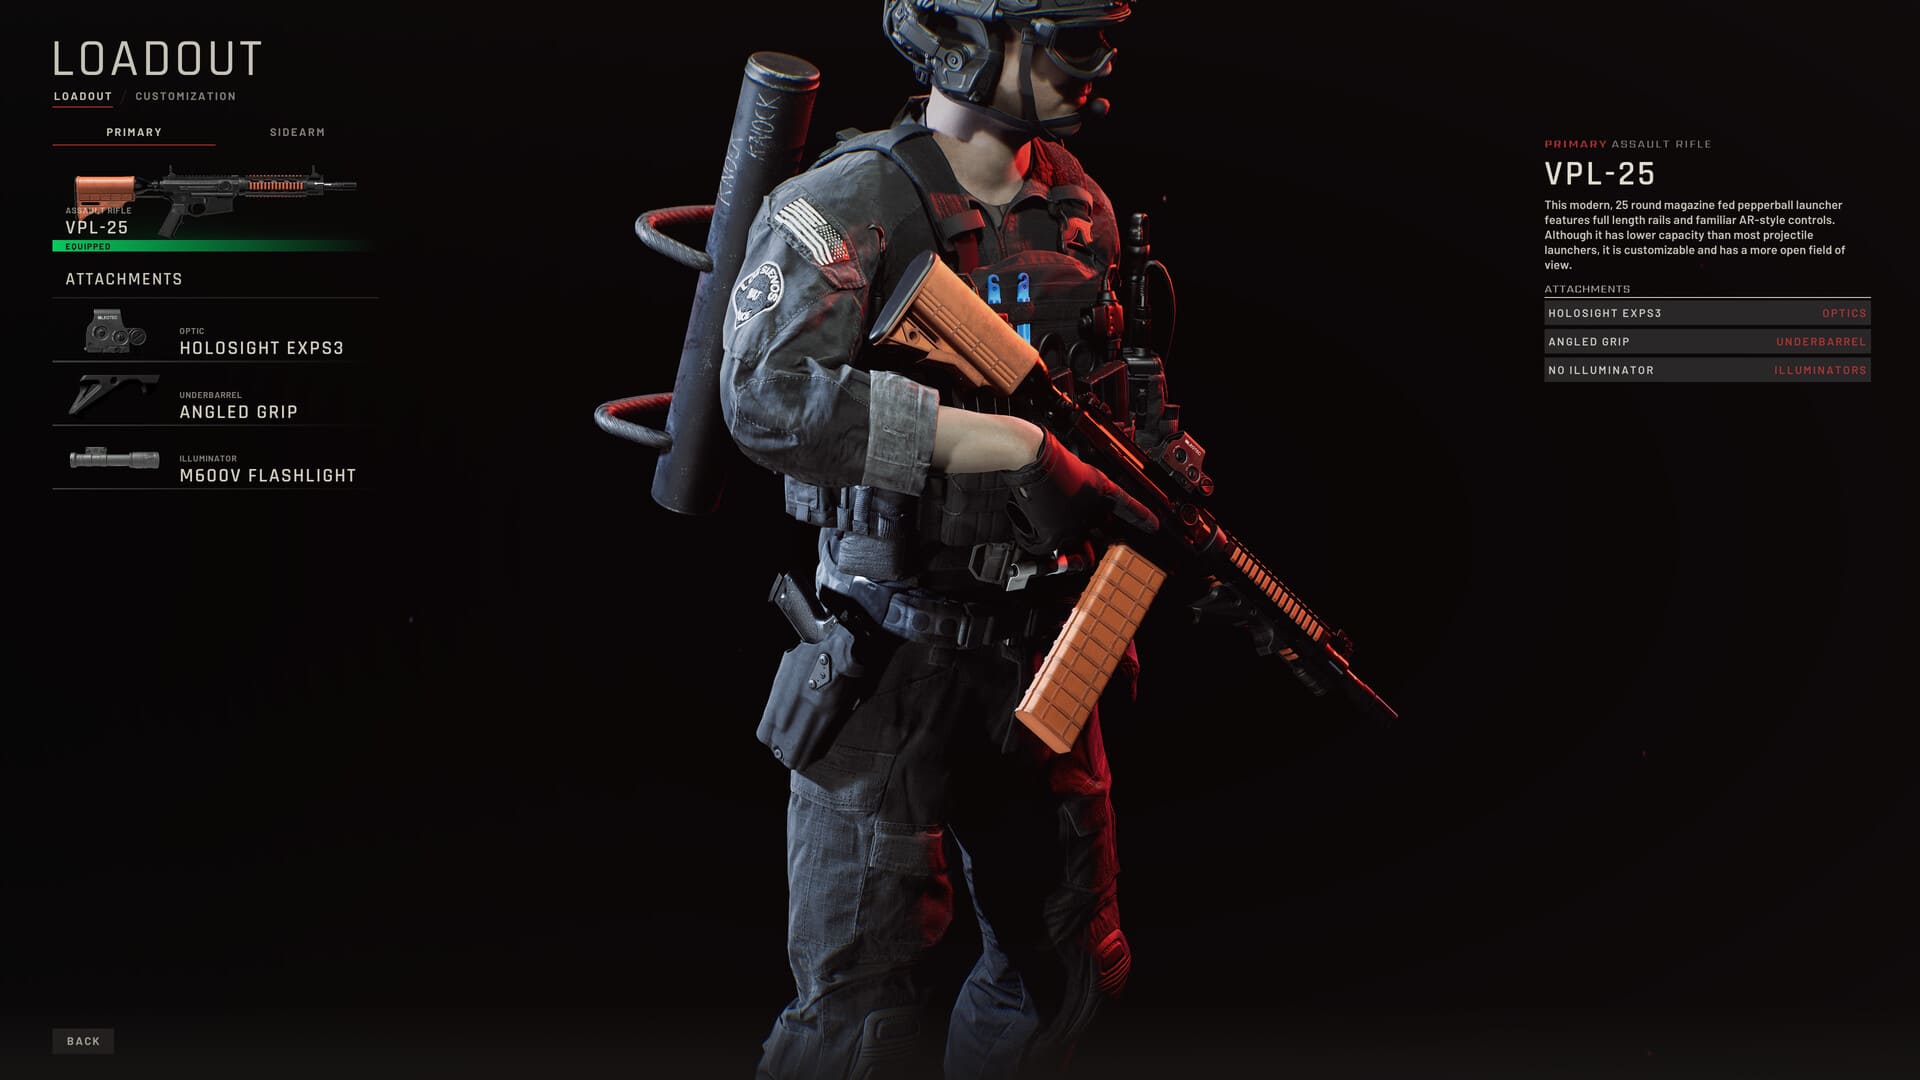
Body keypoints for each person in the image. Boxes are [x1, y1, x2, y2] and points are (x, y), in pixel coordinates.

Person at [719, 3, 1156, 1075]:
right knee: (857, 1021)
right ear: (969, 38)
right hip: (887, 658)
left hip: (1043, 655)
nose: (1096, 62)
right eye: (1066, 38)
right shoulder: (850, 199)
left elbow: (1106, 401)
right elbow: (766, 396)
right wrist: (1004, 445)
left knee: (1067, 976)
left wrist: (1149, 490)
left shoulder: (1080, 209)